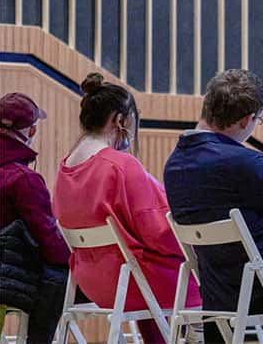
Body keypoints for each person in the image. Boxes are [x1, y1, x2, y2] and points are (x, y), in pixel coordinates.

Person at [164, 69, 263, 329]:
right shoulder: (241, 161)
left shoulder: (174, 165)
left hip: (219, 291)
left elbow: (246, 204)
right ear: (246, 119)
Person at [52, 74, 201, 344]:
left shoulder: (66, 167)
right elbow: (162, 231)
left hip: (91, 281)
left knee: (140, 261)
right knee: (210, 274)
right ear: (121, 120)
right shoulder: (120, 165)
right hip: (132, 281)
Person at [0, 92, 71, 344]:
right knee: (59, 276)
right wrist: (77, 257)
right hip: (9, 276)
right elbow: (49, 241)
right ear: (30, 132)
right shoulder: (24, 179)